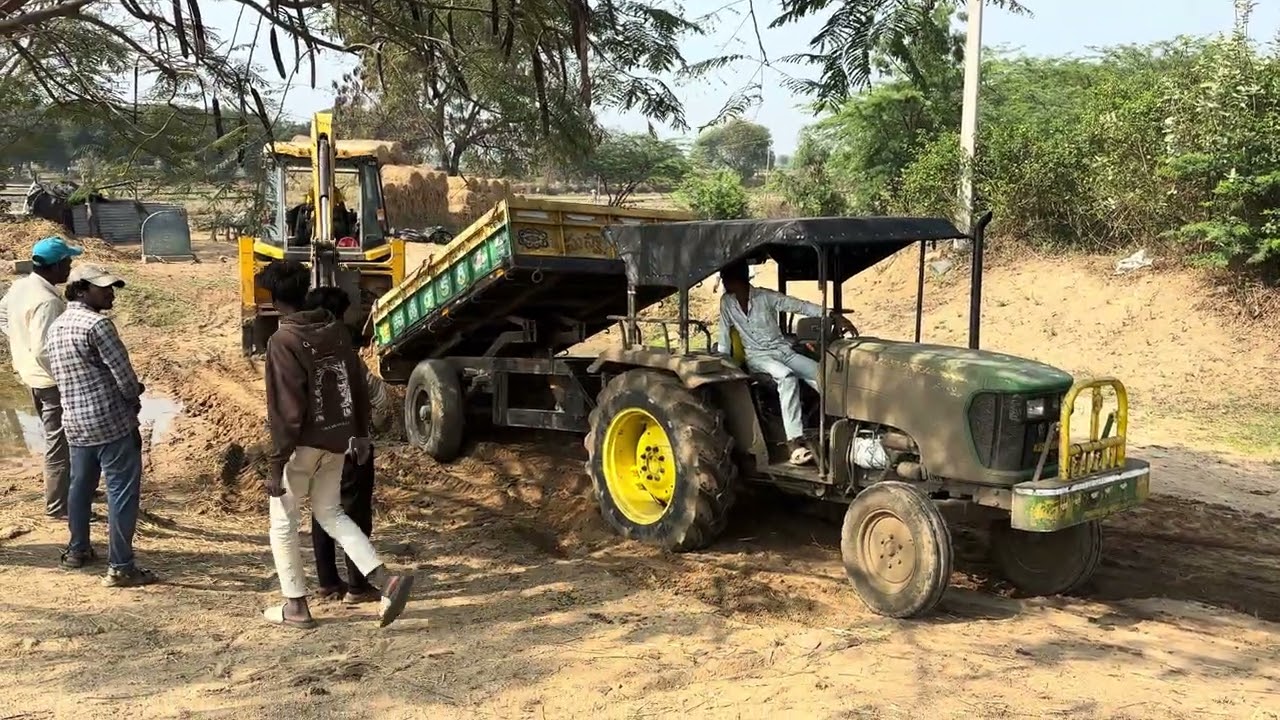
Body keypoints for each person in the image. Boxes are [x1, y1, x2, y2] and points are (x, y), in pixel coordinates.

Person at [257, 259, 413, 629]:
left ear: (276, 300)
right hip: (339, 440)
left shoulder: (284, 340)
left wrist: (276, 462)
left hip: (302, 446)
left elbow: (287, 408)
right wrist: (359, 433)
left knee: (283, 523)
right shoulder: (336, 330)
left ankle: (295, 605)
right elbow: (356, 385)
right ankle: (382, 579)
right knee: (331, 513)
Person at [46, 264, 154, 586]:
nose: (110, 293)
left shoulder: (57, 326)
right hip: (111, 423)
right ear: (81, 290)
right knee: (121, 492)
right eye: (103, 288)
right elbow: (124, 375)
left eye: (111, 288)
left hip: (76, 422)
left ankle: (77, 550)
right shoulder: (97, 325)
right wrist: (134, 397)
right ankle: (121, 566)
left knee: (80, 487)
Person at [301, 286, 393, 604]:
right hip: (352, 447)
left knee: (322, 510)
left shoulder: (297, 354)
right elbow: (380, 404)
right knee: (354, 512)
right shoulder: (347, 358)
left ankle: (328, 582)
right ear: (336, 316)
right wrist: (377, 428)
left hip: (313, 447)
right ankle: (358, 585)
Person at [716, 261, 855, 466]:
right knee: (786, 376)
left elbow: (798, 305)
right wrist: (723, 359)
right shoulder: (727, 302)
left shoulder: (765, 297)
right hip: (758, 357)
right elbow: (724, 331)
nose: (726, 284)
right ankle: (794, 442)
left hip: (782, 350)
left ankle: (844, 425)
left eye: (729, 279)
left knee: (822, 374)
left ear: (741, 279)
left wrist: (831, 315)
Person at [0, 236, 81, 519]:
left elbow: (2, 315)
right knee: (59, 444)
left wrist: (19, 341)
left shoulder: (21, 286)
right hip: (51, 383)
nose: (71, 267)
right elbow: (46, 351)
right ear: (56, 266)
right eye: (68, 262)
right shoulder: (47, 301)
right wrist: (70, 380)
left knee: (64, 438)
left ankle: (75, 488)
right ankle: (59, 507)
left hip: (30, 375)